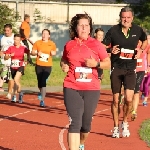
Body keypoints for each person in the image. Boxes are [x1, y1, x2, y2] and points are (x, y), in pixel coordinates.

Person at [60, 14, 110, 150]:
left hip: (91, 88)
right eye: (80, 25)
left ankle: (81, 143)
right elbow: (64, 59)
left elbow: (108, 63)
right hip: (71, 86)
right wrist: (63, 65)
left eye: (86, 25)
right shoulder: (69, 45)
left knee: (86, 125)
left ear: (90, 28)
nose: (83, 28)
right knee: (75, 122)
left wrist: (96, 63)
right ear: (75, 28)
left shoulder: (97, 45)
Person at [102, 7, 147, 138]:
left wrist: (141, 50)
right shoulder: (113, 30)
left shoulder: (138, 30)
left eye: (128, 17)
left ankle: (125, 122)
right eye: (123, 17)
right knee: (116, 100)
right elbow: (103, 46)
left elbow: (144, 41)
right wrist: (110, 50)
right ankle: (115, 127)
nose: (125, 19)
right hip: (116, 67)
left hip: (130, 69)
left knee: (128, 99)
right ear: (120, 17)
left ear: (132, 18)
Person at [31, 29, 56, 107]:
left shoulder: (51, 44)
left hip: (48, 65)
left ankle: (42, 100)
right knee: (39, 83)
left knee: (43, 81)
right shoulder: (38, 43)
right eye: (43, 33)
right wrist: (37, 53)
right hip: (39, 65)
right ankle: (41, 92)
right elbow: (32, 52)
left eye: (46, 34)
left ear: (49, 35)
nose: (44, 35)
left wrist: (53, 53)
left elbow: (54, 52)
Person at [4, 34, 30, 103]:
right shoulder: (11, 48)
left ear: (20, 40)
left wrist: (27, 60)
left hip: (20, 65)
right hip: (13, 66)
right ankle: (16, 95)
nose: (16, 41)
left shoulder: (23, 48)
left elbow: (28, 52)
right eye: (15, 39)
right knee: (15, 81)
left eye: (17, 40)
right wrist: (9, 55)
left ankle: (19, 90)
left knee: (16, 79)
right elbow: (5, 57)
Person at [131, 39, 150, 120]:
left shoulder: (146, 46)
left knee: (136, 90)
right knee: (129, 91)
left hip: (141, 70)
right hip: (131, 70)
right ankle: (129, 106)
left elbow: (148, 54)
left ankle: (134, 111)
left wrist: (148, 66)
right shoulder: (131, 45)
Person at [0, 24, 15, 99]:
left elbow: (20, 46)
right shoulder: (1, 37)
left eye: (8, 30)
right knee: (3, 75)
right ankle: (6, 88)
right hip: (3, 59)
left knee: (11, 76)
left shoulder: (15, 37)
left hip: (13, 60)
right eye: (5, 31)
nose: (6, 32)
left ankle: (10, 91)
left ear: (11, 30)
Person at [140, 35, 150, 106]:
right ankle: (144, 92)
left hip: (148, 68)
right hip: (143, 67)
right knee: (141, 86)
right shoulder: (145, 47)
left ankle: (145, 100)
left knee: (147, 84)